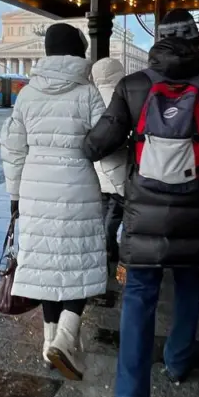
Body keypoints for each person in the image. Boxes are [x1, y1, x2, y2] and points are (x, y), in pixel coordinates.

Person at [83, 9, 199, 397]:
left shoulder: (133, 86)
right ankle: (177, 361)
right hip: (195, 207)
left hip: (144, 209)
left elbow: (99, 143)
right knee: (190, 285)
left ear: (158, 42)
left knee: (139, 295)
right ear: (195, 42)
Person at [0, 23, 108, 382]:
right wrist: (121, 182)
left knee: (46, 266)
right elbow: (103, 141)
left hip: (34, 188)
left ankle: (49, 345)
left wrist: (15, 195)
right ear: (78, 52)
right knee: (79, 263)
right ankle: (64, 337)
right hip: (78, 188)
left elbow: (13, 149)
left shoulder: (27, 95)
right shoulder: (88, 93)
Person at [91, 58, 129, 268]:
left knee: (103, 211)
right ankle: (110, 247)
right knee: (116, 212)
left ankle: (104, 248)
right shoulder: (124, 98)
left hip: (96, 168)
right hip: (119, 168)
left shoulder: (91, 97)